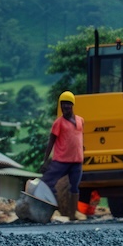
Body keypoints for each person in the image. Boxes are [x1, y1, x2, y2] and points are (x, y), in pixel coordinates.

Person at [41, 91, 84, 221]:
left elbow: (79, 137)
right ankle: (54, 208)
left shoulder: (80, 120)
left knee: (74, 186)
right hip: (61, 160)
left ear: (72, 105)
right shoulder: (58, 123)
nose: (65, 107)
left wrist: (82, 149)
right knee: (47, 182)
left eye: (68, 104)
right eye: (63, 104)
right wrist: (45, 161)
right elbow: (51, 142)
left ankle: (72, 214)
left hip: (76, 160)